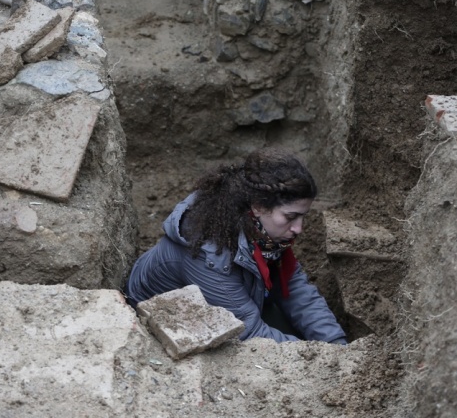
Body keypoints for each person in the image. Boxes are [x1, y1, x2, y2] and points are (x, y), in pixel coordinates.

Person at [125, 147, 347, 345]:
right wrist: (320, 357)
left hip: (230, 297)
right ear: (259, 206)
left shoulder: (260, 231)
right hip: (168, 325)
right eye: (291, 217)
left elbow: (295, 289)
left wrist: (336, 343)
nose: (299, 228)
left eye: (302, 217)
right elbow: (250, 333)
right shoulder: (210, 256)